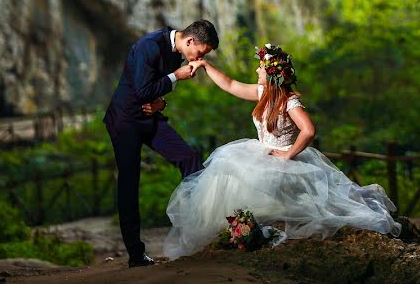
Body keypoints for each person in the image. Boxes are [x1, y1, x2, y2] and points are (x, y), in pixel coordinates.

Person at [162, 43, 401, 260]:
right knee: (227, 166)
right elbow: (230, 84)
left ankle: (255, 234)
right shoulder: (262, 94)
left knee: (288, 201)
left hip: (285, 156)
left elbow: (308, 130)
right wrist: (205, 65)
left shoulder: (289, 101)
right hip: (261, 152)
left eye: (260, 68)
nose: (257, 71)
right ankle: (240, 233)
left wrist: (288, 155)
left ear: (273, 74)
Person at [103, 20, 219, 267]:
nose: (197, 59)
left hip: (149, 118)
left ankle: (196, 234)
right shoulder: (148, 46)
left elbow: (154, 92)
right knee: (129, 183)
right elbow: (144, 90)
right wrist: (176, 76)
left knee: (190, 158)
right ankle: (136, 255)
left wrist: (161, 104)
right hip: (125, 121)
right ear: (190, 41)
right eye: (199, 53)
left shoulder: (176, 49)